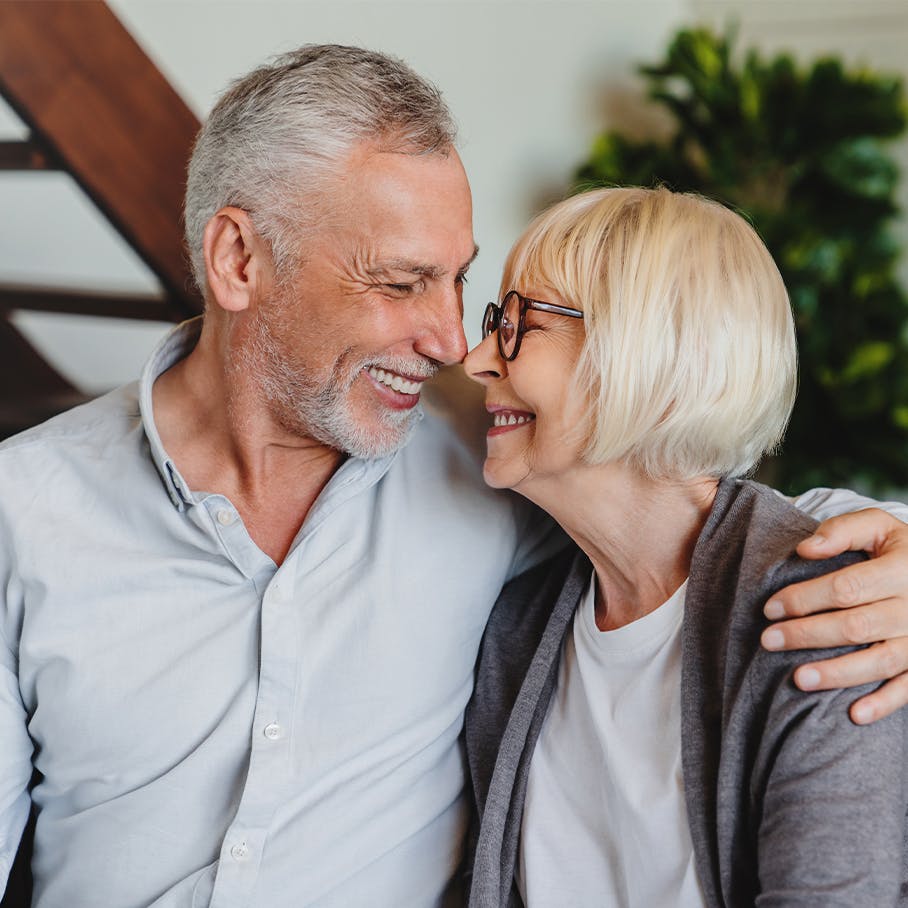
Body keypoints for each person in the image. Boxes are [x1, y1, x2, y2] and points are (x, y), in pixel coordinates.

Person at [0, 45, 906, 908]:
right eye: (400, 283)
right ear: (239, 259)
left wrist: (880, 544)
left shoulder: (487, 477)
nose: (451, 344)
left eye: (461, 285)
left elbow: (685, 512)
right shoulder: (24, 514)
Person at [462, 186, 908, 907]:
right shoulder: (516, 629)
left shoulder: (827, 616)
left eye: (521, 325)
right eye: (494, 322)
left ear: (650, 356)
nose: (478, 358)